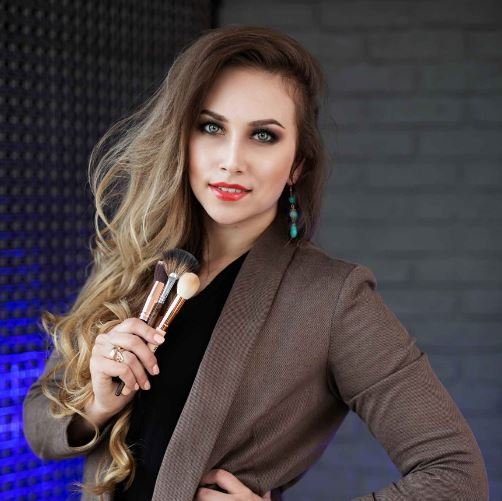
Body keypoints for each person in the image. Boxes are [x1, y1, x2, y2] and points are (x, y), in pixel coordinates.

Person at [23, 25, 488, 501]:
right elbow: (38, 426)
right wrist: (97, 405)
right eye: (211, 127)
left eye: (263, 136)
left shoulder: (332, 300)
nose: (232, 160)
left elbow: (457, 476)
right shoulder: (136, 260)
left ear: (297, 163)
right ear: (182, 138)